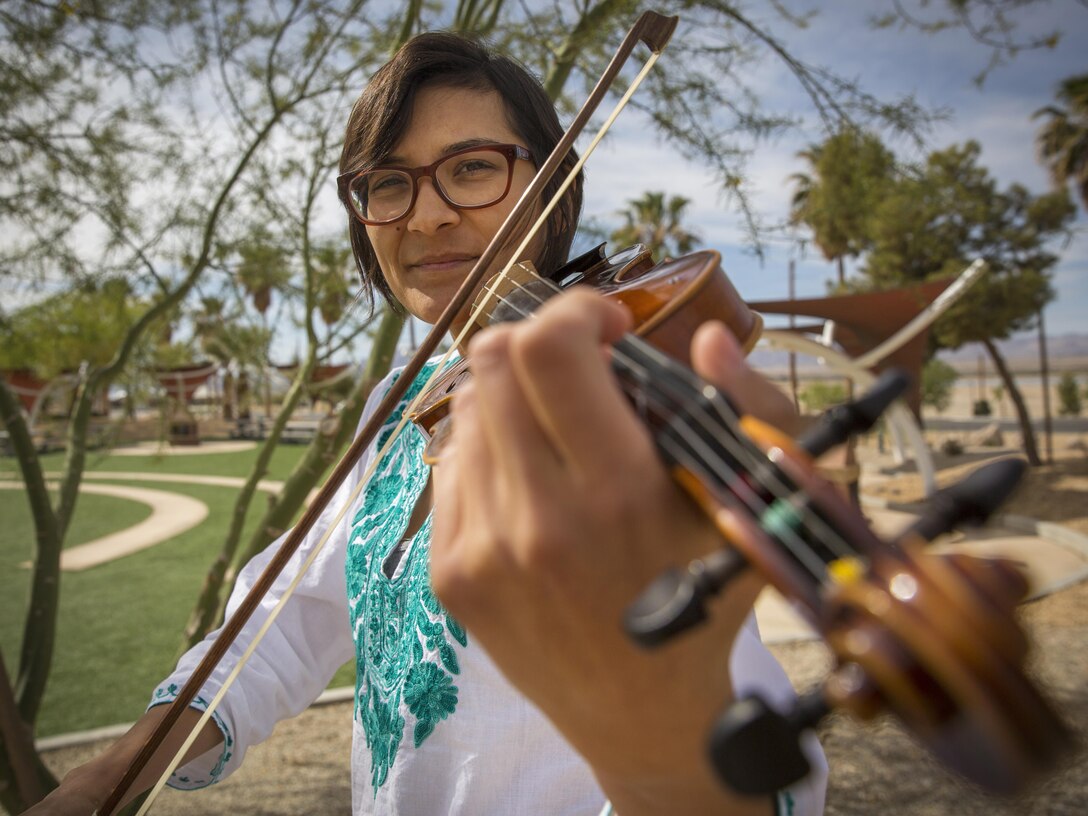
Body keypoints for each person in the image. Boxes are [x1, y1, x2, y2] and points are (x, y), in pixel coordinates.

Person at [28, 32, 826, 816]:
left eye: (472, 168)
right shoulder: (396, 407)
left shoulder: (618, 412)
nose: (427, 216)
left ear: (553, 187)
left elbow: (747, 759)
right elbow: (282, 624)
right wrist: (107, 778)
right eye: (387, 183)